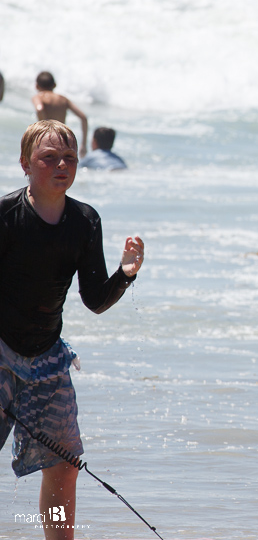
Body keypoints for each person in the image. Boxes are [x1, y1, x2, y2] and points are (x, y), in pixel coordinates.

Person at [0, 120, 145, 540]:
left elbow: (95, 300)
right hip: (1, 350)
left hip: (47, 358)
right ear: (26, 164)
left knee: (64, 464)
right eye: (49, 158)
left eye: (69, 158)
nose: (61, 165)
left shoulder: (85, 221)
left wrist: (126, 274)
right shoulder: (6, 215)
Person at [31, 72, 89, 157]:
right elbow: (83, 118)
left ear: (36, 86)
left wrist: (45, 129)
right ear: (54, 85)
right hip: (62, 138)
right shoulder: (63, 99)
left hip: (47, 138)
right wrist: (83, 144)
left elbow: (40, 109)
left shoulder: (39, 97)